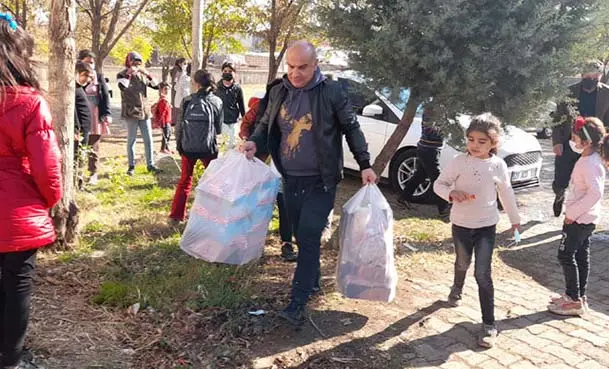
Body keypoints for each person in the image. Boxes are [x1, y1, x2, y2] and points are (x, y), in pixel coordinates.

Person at [242, 41, 377, 325]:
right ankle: (313, 281)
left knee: (309, 235)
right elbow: (265, 126)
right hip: (289, 179)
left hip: (321, 181)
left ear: (316, 64)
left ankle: (297, 300)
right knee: (302, 239)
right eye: (290, 66)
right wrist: (254, 143)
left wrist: (365, 164)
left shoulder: (331, 93)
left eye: (302, 67)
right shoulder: (278, 91)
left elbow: (352, 128)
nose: (295, 72)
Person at [0, 12, 63, 369]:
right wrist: (49, 202)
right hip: (17, 212)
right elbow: (47, 166)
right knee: (17, 285)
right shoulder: (28, 102)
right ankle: (11, 359)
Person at [434, 113, 521, 349]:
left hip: (486, 227)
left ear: (493, 143)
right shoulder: (459, 161)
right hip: (461, 225)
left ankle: (489, 324)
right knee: (462, 262)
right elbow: (439, 184)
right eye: (471, 139)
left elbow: (506, 193)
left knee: (483, 273)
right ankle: (456, 289)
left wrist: (515, 219)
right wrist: (452, 194)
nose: (474, 145)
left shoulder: (498, 165)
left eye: (481, 141)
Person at [548, 117, 606, 316]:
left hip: (579, 219)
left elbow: (595, 193)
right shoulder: (588, 160)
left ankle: (573, 299)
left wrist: (571, 214)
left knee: (565, 255)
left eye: (575, 137)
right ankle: (577, 296)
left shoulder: (590, 164)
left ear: (587, 142)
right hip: (584, 218)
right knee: (581, 255)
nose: (572, 141)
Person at [240, 79, 297, 262]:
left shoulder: (291, 112)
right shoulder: (260, 108)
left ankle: (286, 243)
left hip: (278, 168)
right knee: (258, 206)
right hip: (259, 165)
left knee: (284, 205)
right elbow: (247, 125)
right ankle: (251, 243)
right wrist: (248, 140)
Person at [551, 60, 609, 217]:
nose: (590, 79)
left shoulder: (606, 94)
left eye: (595, 77)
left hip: (593, 145)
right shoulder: (569, 92)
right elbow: (558, 119)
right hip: (569, 142)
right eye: (587, 76)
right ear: (582, 75)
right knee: (561, 176)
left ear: (600, 75)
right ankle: (559, 195)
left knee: (588, 179)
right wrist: (557, 142)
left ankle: (580, 213)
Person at [170, 70, 223, 222]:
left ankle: (176, 216)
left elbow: (179, 126)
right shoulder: (217, 101)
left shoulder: (187, 101)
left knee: (185, 180)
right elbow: (218, 129)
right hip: (208, 148)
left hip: (188, 147)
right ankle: (215, 214)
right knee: (213, 181)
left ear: (196, 83)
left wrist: (180, 145)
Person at [397, 105, 450, 216]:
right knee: (437, 178)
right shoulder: (431, 109)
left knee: (420, 175)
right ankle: (443, 208)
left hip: (430, 148)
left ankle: (403, 198)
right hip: (428, 149)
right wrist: (446, 129)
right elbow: (429, 130)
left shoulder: (442, 109)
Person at [117, 51, 161, 176]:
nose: (136, 65)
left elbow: (156, 86)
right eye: (134, 63)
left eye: (138, 63)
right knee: (132, 139)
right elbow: (123, 87)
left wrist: (148, 74)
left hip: (144, 111)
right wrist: (129, 74)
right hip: (131, 111)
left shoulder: (142, 75)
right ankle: (131, 166)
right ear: (129, 62)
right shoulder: (121, 74)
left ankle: (150, 164)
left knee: (148, 139)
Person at [77, 49, 112, 186]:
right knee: (79, 144)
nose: (90, 65)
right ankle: (78, 173)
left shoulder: (99, 77)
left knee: (94, 145)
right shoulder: (75, 77)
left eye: (92, 63)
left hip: (95, 113)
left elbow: (105, 96)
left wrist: (106, 113)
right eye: (87, 62)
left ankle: (93, 173)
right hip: (79, 114)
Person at [215, 61, 245, 149]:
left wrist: (245, 120)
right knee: (225, 144)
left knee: (233, 143)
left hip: (234, 120)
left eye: (230, 71)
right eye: (225, 71)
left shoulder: (237, 88)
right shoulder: (217, 87)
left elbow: (241, 105)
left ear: (234, 73)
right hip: (222, 120)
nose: (227, 73)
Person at [74, 61, 94, 190]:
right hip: (78, 132)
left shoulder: (80, 88)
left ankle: (79, 182)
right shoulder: (73, 89)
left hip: (85, 129)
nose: (86, 79)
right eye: (84, 75)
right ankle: (76, 183)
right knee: (77, 157)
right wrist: (76, 129)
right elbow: (73, 111)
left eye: (89, 76)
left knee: (82, 156)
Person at [152, 82, 173, 154]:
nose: (167, 91)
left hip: (168, 120)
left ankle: (167, 148)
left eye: (168, 89)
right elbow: (162, 113)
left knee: (169, 133)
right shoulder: (162, 100)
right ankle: (163, 148)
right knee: (165, 134)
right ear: (161, 90)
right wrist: (161, 122)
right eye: (165, 89)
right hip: (165, 121)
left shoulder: (165, 99)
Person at [170, 57, 187, 125]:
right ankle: (174, 121)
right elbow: (175, 79)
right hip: (175, 88)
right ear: (180, 63)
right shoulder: (176, 69)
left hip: (180, 88)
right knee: (175, 104)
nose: (185, 65)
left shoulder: (182, 70)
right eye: (184, 63)